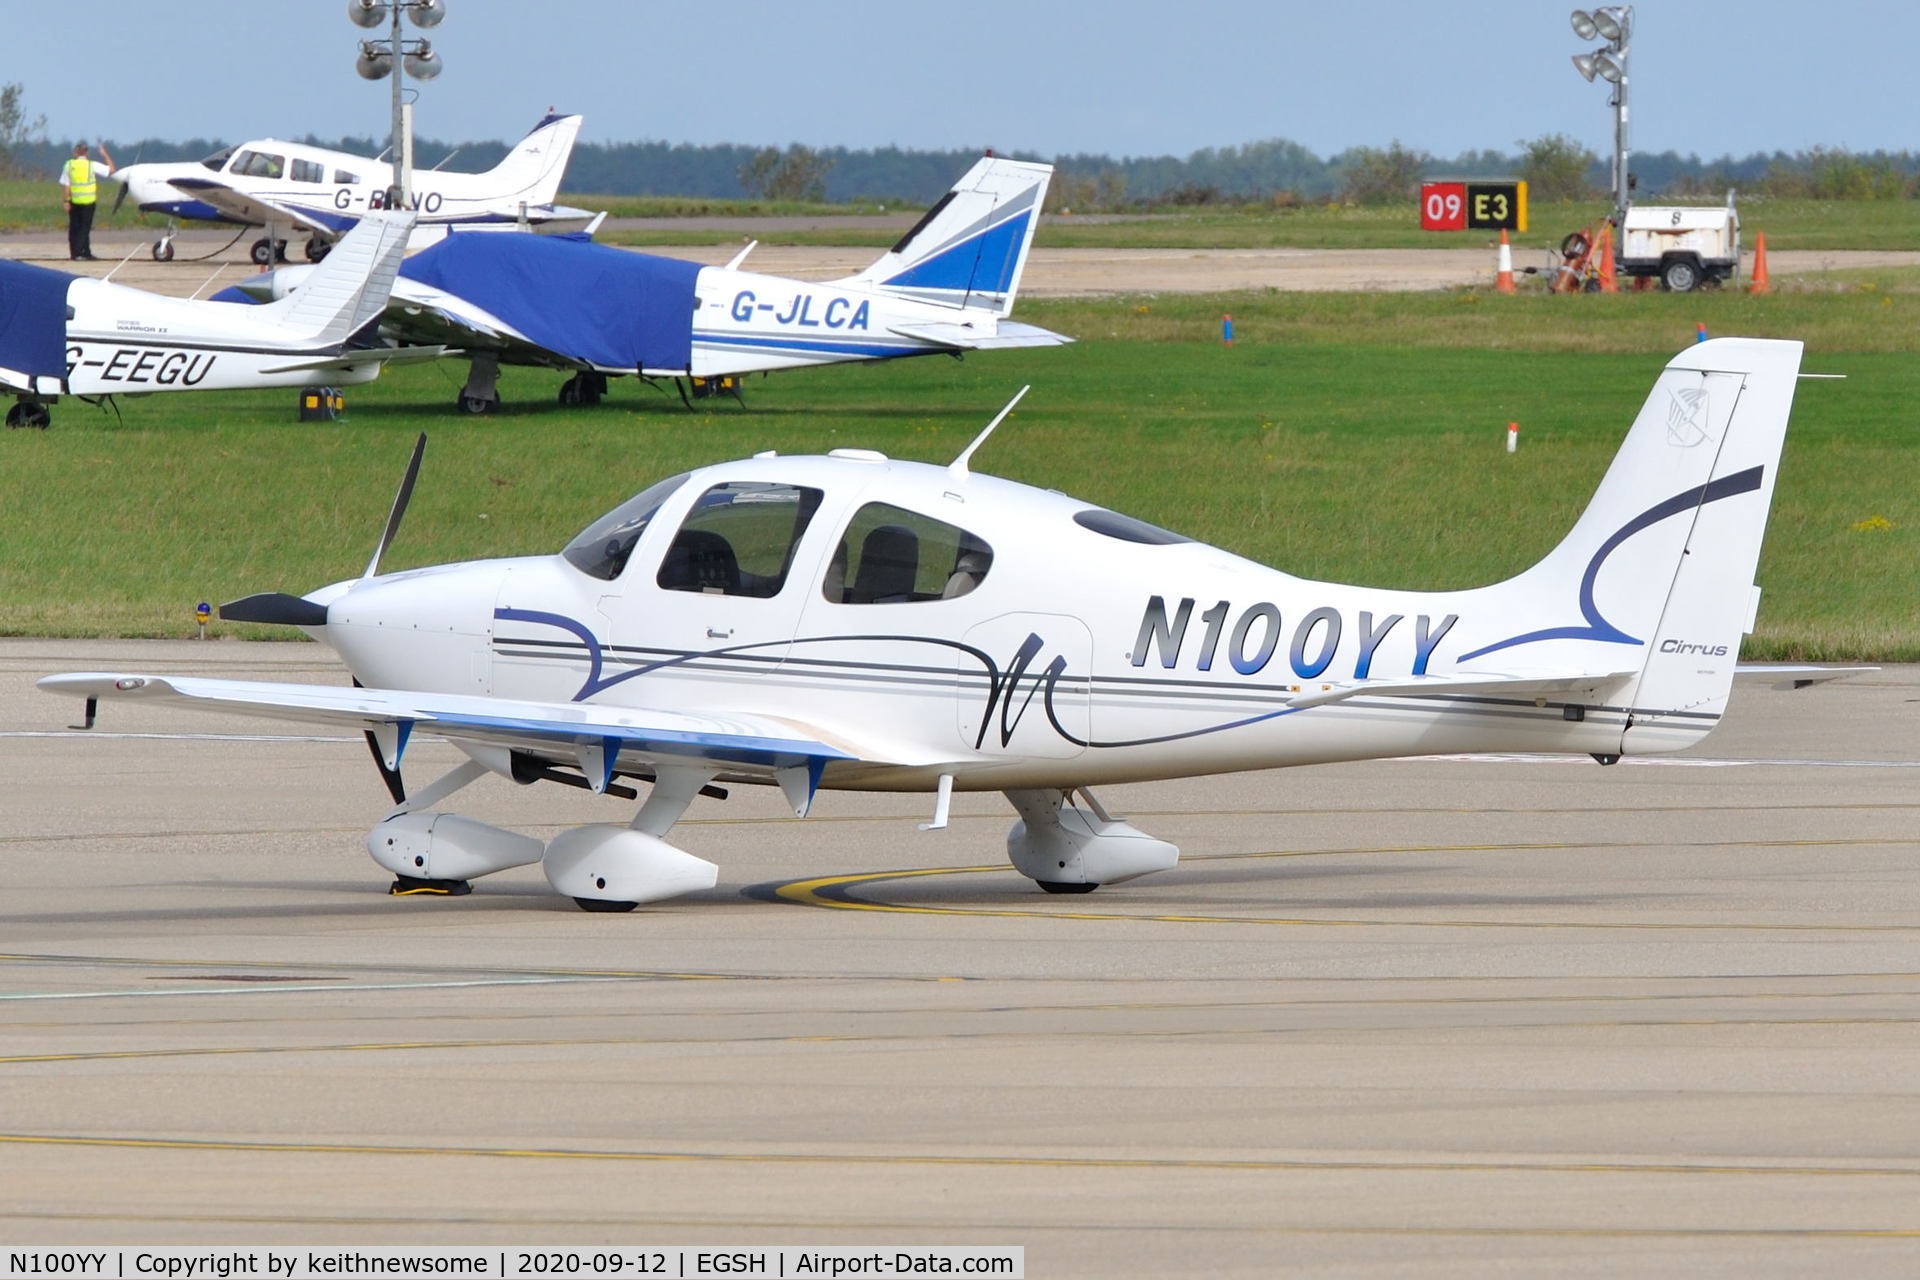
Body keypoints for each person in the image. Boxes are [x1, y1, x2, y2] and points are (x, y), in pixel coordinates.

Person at [60, 141, 115, 261]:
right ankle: (81, 252)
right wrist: (104, 154)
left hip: (74, 201)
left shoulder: (69, 165)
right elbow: (111, 170)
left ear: (75, 152)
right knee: (85, 228)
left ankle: (79, 252)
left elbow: (65, 185)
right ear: (86, 153)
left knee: (74, 228)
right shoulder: (91, 165)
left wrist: (65, 201)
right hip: (88, 201)